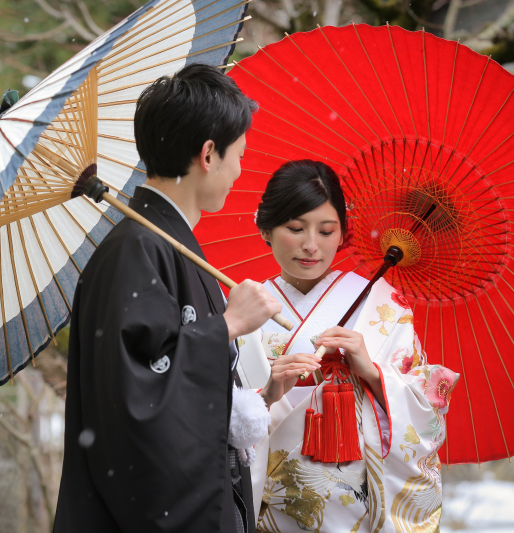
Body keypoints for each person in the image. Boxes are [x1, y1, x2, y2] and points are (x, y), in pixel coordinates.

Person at [53, 64, 297, 533]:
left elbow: (184, 390)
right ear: (209, 154)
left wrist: (258, 398)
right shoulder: (136, 251)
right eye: (239, 155)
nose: (239, 171)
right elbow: (135, 397)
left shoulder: (161, 246)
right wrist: (224, 328)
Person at [235, 160, 460, 532]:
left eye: (326, 231)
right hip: (271, 508)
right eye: (295, 228)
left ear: (342, 234)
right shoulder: (244, 310)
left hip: (361, 503)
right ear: (265, 228)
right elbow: (215, 416)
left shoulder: (381, 305)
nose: (311, 245)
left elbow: (425, 408)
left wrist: (371, 372)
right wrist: (267, 395)